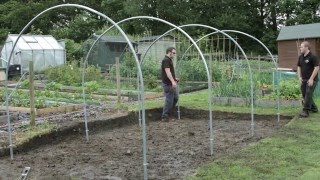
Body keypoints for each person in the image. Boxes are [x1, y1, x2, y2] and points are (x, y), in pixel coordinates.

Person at [297, 41, 319, 117]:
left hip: (312, 80)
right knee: (305, 95)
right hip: (303, 79)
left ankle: (305, 111)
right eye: (300, 47)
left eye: (301, 47)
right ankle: (314, 108)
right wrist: (299, 77)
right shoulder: (300, 57)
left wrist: (311, 79)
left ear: (306, 47)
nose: (300, 48)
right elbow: (299, 67)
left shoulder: (313, 57)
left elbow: (316, 68)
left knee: (308, 93)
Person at [161, 47, 179, 121]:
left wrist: (175, 79)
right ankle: (165, 116)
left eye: (175, 53)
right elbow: (168, 72)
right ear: (169, 52)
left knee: (175, 98)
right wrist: (173, 82)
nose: (174, 54)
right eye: (173, 53)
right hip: (168, 84)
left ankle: (168, 114)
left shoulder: (169, 60)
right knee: (169, 101)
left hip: (170, 83)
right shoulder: (166, 60)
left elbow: (170, 73)